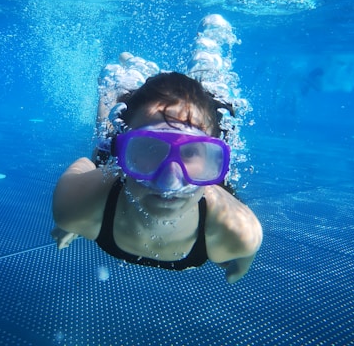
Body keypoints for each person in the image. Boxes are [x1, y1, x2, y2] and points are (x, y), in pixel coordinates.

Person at [52, 17, 262, 284]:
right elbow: (85, 163)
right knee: (104, 142)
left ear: (215, 162)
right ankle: (121, 86)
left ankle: (128, 79)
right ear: (125, 153)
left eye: (192, 152)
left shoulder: (239, 233)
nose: (169, 181)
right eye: (149, 147)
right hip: (106, 182)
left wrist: (242, 265)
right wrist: (72, 217)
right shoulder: (74, 207)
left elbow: (247, 251)